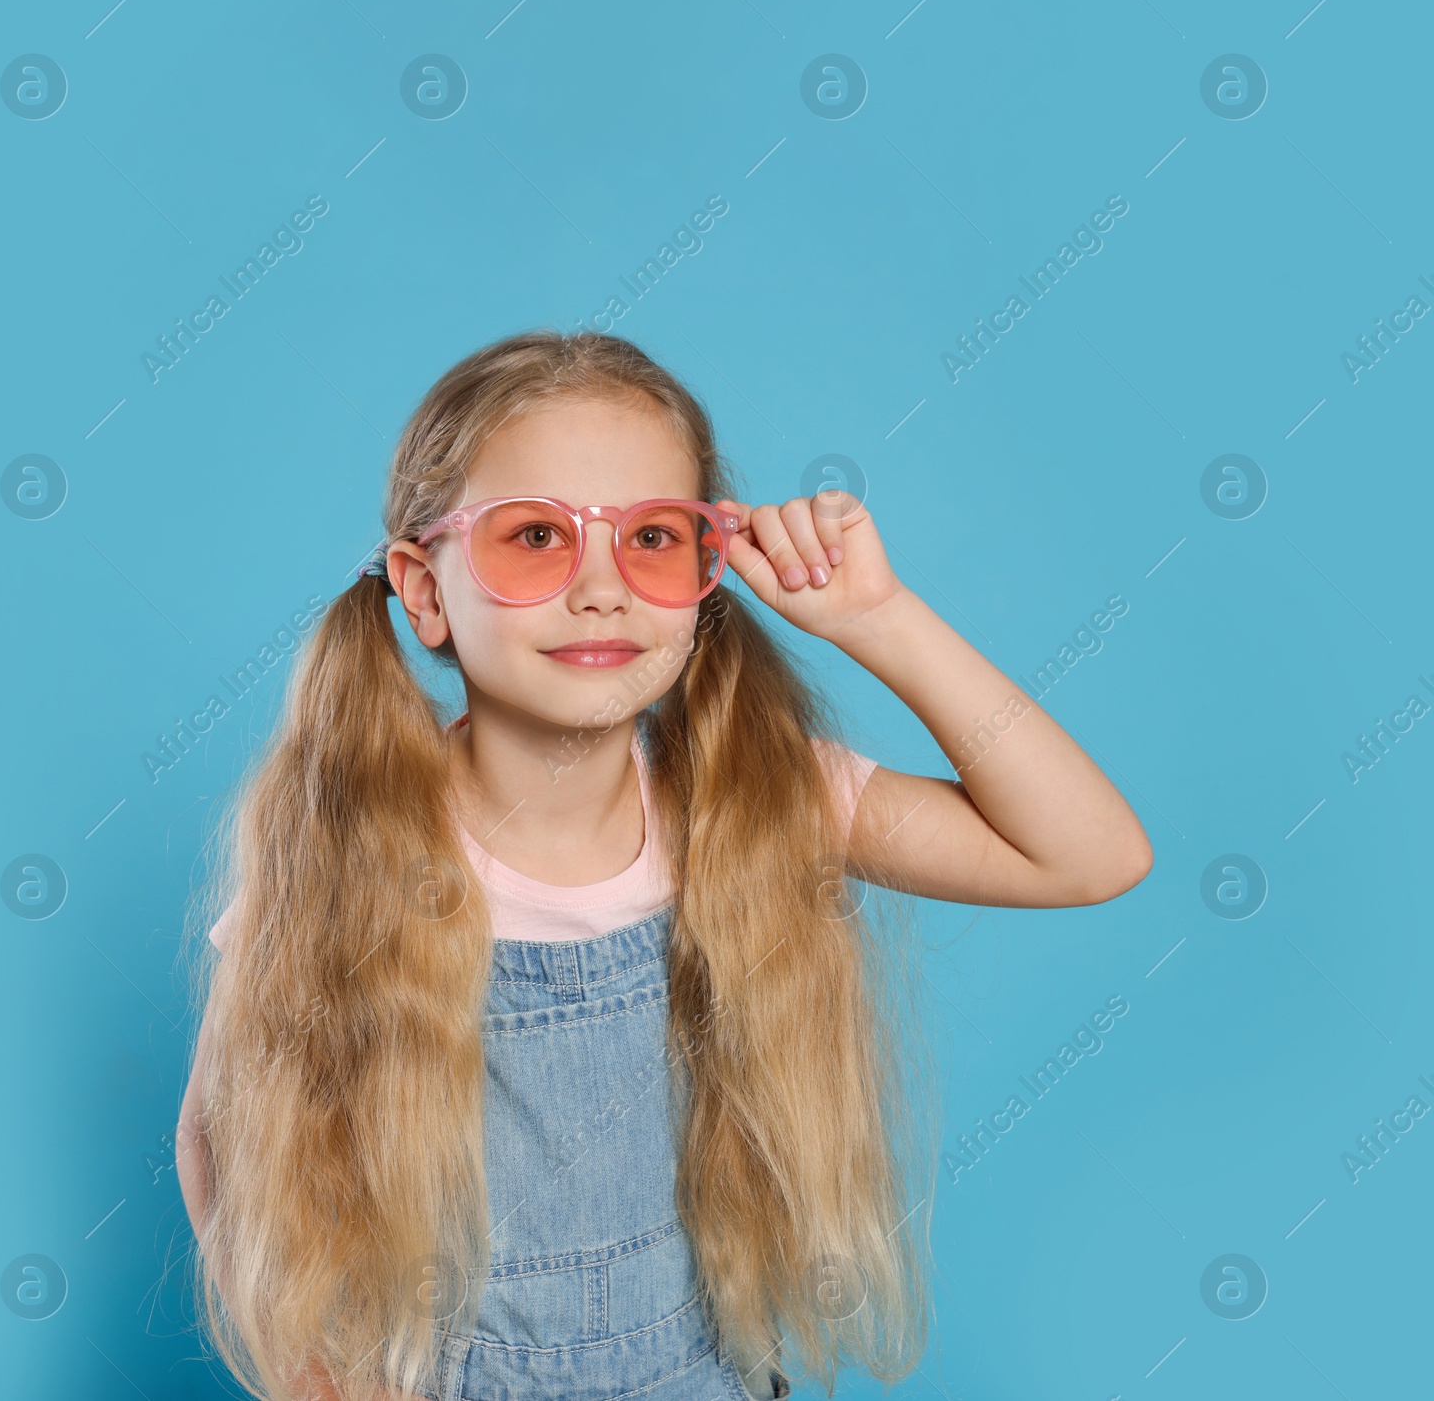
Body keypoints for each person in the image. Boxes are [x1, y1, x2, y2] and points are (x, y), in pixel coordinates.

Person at [176, 329, 1152, 1401]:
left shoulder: (761, 803)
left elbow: (1087, 854)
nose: (602, 588)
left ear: (706, 572)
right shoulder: (346, 848)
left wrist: (878, 620)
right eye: (536, 536)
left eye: (653, 537)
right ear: (423, 590)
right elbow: (224, 1139)